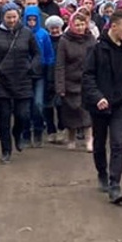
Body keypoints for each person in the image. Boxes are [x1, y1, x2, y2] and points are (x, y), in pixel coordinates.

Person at [84, 8, 122, 203]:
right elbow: (88, 76)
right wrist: (98, 97)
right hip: (99, 104)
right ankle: (102, 173)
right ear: (114, 27)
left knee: (117, 143)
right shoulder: (96, 48)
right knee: (100, 143)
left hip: (120, 102)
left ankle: (115, 185)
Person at [0, 4, 39, 163]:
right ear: (3, 17)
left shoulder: (26, 33)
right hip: (3, 80)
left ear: (18, 17)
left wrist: (32, 67)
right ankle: (6, 150)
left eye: (14, 17)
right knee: (3, 117)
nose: (11, 20)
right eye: (8, 17)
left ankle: (18, 133)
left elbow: (36, 53)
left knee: (23, 115)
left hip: (23, 78)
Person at [55, 12, 93, 151]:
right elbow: (60, 65)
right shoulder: (64, 41)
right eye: (77, 24)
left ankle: (89, 140)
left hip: (87, 81)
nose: (80, 27)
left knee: (87, 113)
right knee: (71, 113)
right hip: (70, 82)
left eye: (82, 24)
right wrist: (60, 86)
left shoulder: (91, 39)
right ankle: (71, 138)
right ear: (71, 25)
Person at [22, 6, 55, 147]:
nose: (31, 22)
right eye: (29, 19)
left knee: (38, 104)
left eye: (34, 19)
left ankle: (38, 131)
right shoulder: (21, 33)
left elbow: (49, 56)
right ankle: (25, 134)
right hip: (24, 75)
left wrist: (49, 75)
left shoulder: (43, 34)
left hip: (40, 74)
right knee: (24, 106)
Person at [43, 15, 65, 142]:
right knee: (47, 105)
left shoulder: (64, 39)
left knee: (61, 105)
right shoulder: (46, 39)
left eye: (56, 27)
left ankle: (62, 128)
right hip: (47, 74)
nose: (55, 30)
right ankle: (51, 130)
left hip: (61, 76)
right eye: (52, 28)